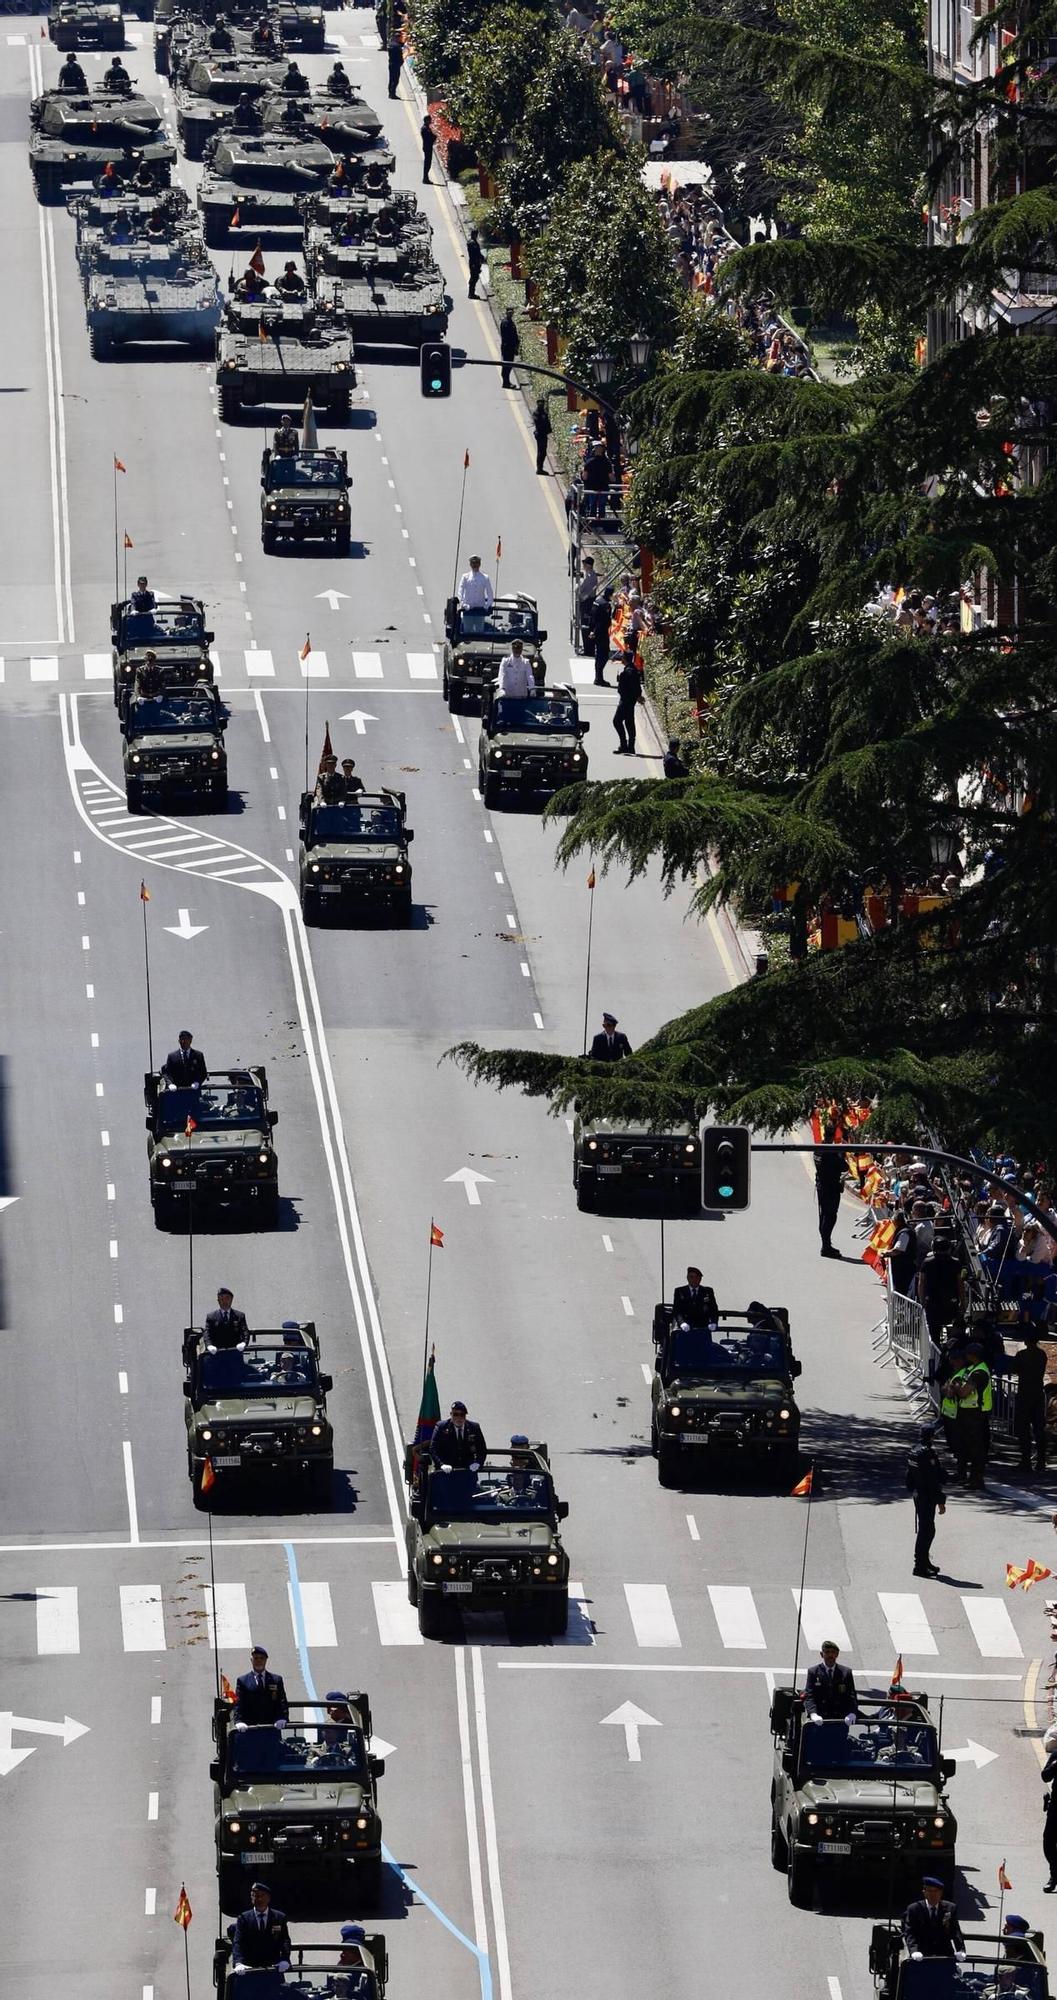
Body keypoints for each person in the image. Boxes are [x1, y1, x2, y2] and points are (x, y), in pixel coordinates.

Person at [906, 1424, 946, 1577]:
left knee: (926, 1529)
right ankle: (919, 1565)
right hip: (927, 1495)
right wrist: (941, 1500)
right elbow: (933, 1479)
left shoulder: (913, 1451)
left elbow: (909, 1476)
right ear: (931, 1436)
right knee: (927, 1531)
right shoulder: (927, 1454)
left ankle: (924, 1561)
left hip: (918, 1493)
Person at [951, 1342, 992, 1488]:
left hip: (975, 1414)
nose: (966, 1356)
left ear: (973, 1355)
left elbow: (963, 1392)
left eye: (968, 1353)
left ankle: (976, 1479)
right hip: (966, 1412)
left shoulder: (979, 1373)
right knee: (963, 1445)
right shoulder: (971, 1369)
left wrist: (955, 1387)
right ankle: (962, 1474)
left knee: (976, 1448)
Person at [231, 1883, 292, 1971]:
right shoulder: (244, 1918)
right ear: (251, 1898)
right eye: (255, 1896)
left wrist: (285, 1960)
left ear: (269, 1898)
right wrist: (238, 1962)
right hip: (250, 1968)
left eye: (262, 1895)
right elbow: (238, 1942)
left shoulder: (279, 1917)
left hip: (273, 1967)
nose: (259, 1899)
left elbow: (285, 1940)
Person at [1011, 1331, 1047, 1474]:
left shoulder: (1022, 1355)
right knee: (1039, 1428)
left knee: (1023, 1428)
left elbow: (1014, 1369)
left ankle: (1026, 1460)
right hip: (1038, 1393)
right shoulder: (1042, 1355)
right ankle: (1041, 1461)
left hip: (1025, 1393)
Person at [902, 1878, 966, 1958]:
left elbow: (955, 1931)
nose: (933, 1895)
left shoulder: (950, 1908)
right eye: (929, 1891)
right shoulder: (914, 1909)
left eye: (936, 1891)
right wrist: (914, 1951)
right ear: (924, 1892)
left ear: (941, 1893)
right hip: (921, 1955)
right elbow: (910, 1932)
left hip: (944, 1954)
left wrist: (960, 1950)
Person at [234, 1645, 289, 1725]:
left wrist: (282, 1718)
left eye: (262, 1658)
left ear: (266, 1660)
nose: (259, 1661)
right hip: (250, 1727)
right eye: (256, 1658)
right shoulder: (243, 1681)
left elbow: (282, 1701)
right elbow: (238, 1704)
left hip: (271, 1726)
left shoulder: (276, 1680)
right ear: (251, 1660)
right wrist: (238, 1721)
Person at [804, 1641, 857, 1720]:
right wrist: (813, 1713)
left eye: (833, 1652)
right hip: (820, 1717)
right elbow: (809, 1695)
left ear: (837, 1654)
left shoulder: (845, 1672)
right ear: (822, 1654)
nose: (830, 1655)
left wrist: (852, 1713)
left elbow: (852, 1695)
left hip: (840, 1717)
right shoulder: (813, 1672)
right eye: (827, 1652)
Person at [430, 1400, 487, 1470]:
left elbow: (482, 1449)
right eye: (455, 1414)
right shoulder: (441, 1427)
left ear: (465, 1415)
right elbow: (433, 1449)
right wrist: (441, 1464)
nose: (459, 1418)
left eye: (462, 1415)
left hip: (468, 1471)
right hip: (447, 1471)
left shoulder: (474, 1427)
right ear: (451, 1414)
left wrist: (478, 1463)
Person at [814, 1138, 844, 1259]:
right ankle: (826, 1247)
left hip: (822, 1187)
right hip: (830, 1188)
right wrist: (840, 1154)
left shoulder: (817, 1150)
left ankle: (826, 1245)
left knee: (824, 1215)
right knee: (830, 1216)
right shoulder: (830, 1152)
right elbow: (844, 1166)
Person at [613, 650, 642, 753]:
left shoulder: (627, 672)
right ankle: (630, 746)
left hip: (625, 701)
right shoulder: (634, 670)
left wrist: (620, 680)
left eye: (622, 657)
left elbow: (623, 689)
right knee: (629, 723)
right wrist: (638, 696)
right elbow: (637, 687)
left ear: (624, 659)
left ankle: (624, 744)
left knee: (617, 721)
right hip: (631, 702)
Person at [205, 1287, 248, 1351]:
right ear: (218, 1301)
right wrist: (209, 1345)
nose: (224, 1301)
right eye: (221, 1299)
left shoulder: (239, 1316)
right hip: (217, 1353)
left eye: (227, 1298)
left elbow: (245, 1332)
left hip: (234, 1351)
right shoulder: (211, 1317)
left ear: (231, 1300)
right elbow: (207, 1333)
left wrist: (244, 1343)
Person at [590, 586, 613, 685]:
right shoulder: (605, 605)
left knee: (599, 655)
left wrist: (592, 631)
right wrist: (596, 631)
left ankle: (598, 677)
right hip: (601, 632)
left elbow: (592, 617)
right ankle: (599, 677)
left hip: (595, 631)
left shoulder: (597, 601)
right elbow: (604, 621)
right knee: (603, 655)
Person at [1043, 1725, 1057, 1890]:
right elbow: (1045, 1775)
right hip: (1055, 1808)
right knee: (1048, 1843)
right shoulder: (1056, 1755)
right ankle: (1054, 1873)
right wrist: (1054, 1765)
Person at [576, 555, 598, 654]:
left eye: (584, 563)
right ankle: (588, 648)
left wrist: (577, 585)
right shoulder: (592, 574)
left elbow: (579, 588)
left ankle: (587, 649)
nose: (583, 565)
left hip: (586, 602)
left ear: (588, 565)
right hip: (589, 600)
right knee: (587, 625)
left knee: (585, 626)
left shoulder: (588, 576)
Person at [500, 307, 520, 389]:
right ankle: (506, 382)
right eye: (509, 312)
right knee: (507, 365)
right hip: (507, 347)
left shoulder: (510, 322)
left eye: (512, 312)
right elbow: (508, 336)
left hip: (511, 347)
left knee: (509, 365)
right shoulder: (505, 323)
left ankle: (506, 382)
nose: (511, 313)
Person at [532, 398, 551, 475]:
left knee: (543, 452)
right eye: (540, 403)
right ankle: (539, 469)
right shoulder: (537, 413)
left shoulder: (543, 412)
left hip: (543, 434)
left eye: (542, 403)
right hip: (540, 434)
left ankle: (540, 467)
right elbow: (540, 423)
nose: (541, 405)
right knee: (541, 452)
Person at [467, 228, 484, 298]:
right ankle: (471, 294)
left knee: (474, 277)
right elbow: (475, 253)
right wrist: (480, 258)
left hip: (475, 262)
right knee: (474, 278)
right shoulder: (472, 243)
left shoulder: (472, 242)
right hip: (474, 262)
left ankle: (471, 293)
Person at [387, 31, 403, 97]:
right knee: (395, 79)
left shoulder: (391, 44)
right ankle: (392, 93)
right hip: (396, 64)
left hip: (391, 63)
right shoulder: (397, 46)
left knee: (391, 78)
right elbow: (399, 56)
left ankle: (390, 92)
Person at [420, 113, 434, 185]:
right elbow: (429, 138)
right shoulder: (425, 129)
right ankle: (425, 178)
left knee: (428, 163)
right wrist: (434, 137)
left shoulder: (427, 128)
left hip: (428, 146)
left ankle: (426, 177)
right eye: (429, 120)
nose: (430, 121)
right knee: (427, 163)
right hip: (427, 147)